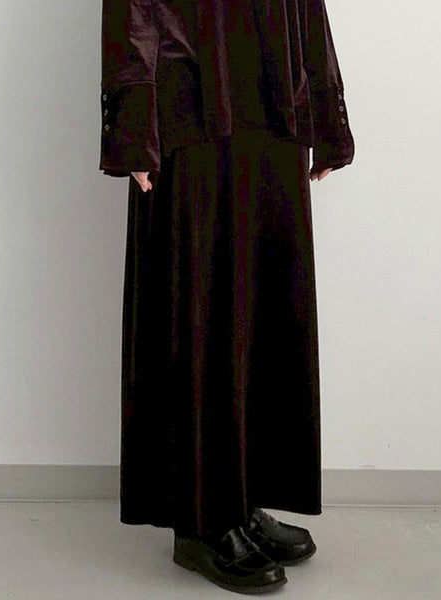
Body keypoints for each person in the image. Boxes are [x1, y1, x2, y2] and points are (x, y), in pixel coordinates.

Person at [99, 0, 355, 593]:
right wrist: (136, 125)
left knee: (263, 308)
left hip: (273, 103)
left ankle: (241, 499)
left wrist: (324, 114)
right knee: (202, 310)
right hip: (189, 107)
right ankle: (201, 522)